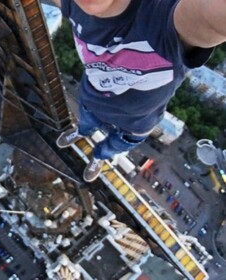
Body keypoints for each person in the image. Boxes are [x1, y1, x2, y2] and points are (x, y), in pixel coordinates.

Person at [49, 0, 226, 182]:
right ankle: (80, 133)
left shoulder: (164, 20)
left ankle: (99, 156)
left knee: (111, 148)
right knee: (84, 125)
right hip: (93, 102)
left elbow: (211, 15)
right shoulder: (73, 5)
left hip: (134, 125)